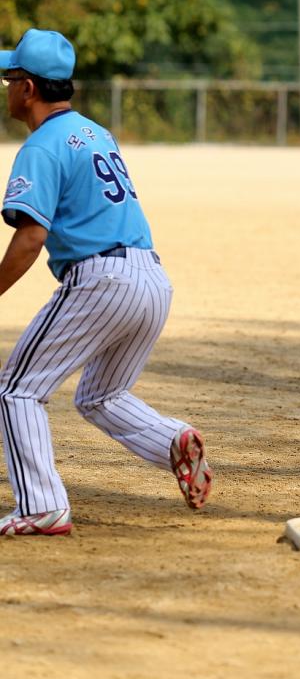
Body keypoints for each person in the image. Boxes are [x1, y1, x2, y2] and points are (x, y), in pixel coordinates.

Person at [0, 28, 212, 536]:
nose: (6, 89)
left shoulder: (40, 146)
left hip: (100, 281)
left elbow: (31, 237)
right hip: (151, 278)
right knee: (101, 395)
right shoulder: (96, 132)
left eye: (10, 80)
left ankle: (42, 507)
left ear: (28, 88)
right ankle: (171, 441)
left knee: (16, 391)